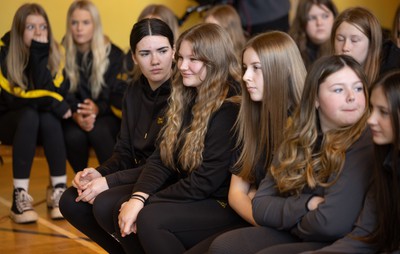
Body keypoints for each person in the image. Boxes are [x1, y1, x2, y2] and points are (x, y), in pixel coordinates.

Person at [90, 23, 243, 254]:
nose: (181, 66)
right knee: (124, 210)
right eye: (180, 57)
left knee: (148, 219)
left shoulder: (229, 105)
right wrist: (138, 198)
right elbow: (162, 158)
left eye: (193, 59)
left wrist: (147, 202)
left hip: (218, 201)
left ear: (214, 61)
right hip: (196, 192)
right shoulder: (187, 93)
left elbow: (205, 182)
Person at [208, 55, 374, 254]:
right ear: (315, 99)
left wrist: (290, 218)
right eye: (339, 89)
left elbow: (330, 223)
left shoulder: (365, 139)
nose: (352, 97)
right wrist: (307, 204)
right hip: (302, 227)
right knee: (223, 246)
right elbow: (260, 205)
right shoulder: (298, 135)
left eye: (358, 88)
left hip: (337, 239)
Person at [59, 18, 175, 253]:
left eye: (162, 51)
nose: (155, 60)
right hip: (135, 174)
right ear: (133, 57)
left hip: (165, 178)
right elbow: (123, 151)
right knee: (70, 200)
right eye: (145, 53)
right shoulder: (132, 90)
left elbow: (165, 164)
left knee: (105, 204)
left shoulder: (183, 92)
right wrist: (98, 172)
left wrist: (108, 181)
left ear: (174, 51)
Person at [303, 70, 400, 254]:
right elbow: (365, 235)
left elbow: (330, 222)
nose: (370, 120)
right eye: (372, 109)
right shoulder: (387, 162)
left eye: (383, 112)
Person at [0, 3, 70, 223]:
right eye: (31, 27)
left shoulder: (56, 52)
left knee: (48, 116)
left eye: (43, 27)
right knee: (31, 112)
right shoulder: (4, 49)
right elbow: (15, 97)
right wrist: (53, 101)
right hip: (10, 122)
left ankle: (58, 191)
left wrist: (39, 56)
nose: (39, 32)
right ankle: (19, 196)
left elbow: (56, 90)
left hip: (43, 126)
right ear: (20, 30)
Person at [62, 0, 124, 173]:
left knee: (99, 130)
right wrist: (76, 113)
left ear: (95, 25)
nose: (79, 28)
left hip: (106, 113)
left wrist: (97, 109)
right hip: (73, 115)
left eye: (85, 22)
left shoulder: (113, 54)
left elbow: (114, 93)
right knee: (73, 136)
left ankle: (112, 181)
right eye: (74, 23)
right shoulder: (61, 53)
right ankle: (83, 182)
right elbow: (61, 91)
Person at [331, 7, 382, 84]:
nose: (345, 47)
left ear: (371, 44)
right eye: (340, 39)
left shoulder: (384, 81)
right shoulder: (323, 76)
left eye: (354, 40)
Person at [289, 0, 338, 70]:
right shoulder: (292, 51)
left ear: (335, 18)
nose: (319, 23)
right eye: (312, 18)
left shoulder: (344, 48)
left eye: (325, 16)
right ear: (302, 23)